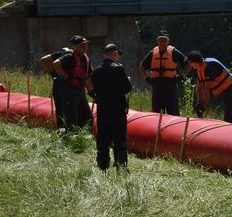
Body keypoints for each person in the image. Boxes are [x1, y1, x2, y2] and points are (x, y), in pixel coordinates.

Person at [91, 44, 132, 172]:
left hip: (103, 108)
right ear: (114, 54)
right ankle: (121, 165)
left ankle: (103, 165)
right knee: (119, 138)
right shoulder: (118, 69)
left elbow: (94, 89)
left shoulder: (96, 70)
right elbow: (127, 88)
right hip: (117, 109)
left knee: (103, 137)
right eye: (117, 54)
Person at [186, 50, 232, 123]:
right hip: (226, 92)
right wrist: (199, 102)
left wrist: (203, 106)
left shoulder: (210, 67)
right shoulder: (200, 69)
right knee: (230, 118)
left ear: (194, 62)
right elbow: (199, 88)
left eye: (190, 63)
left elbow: (206, 90)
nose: (190, 65)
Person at [139, 30, 189, 116]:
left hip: (170, 86)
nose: (162, 42)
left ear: (168, 41)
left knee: (173, 114)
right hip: (157, 86)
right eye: (160, 40)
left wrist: (181, 76)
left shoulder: (174, 52)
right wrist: (146, 78)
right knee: (157, 114)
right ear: (157, 41)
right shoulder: (152, 53)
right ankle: (157, 129)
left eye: (164, 40)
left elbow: (188, 64)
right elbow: (142, 66)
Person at [52, 35, 93, 132]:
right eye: (82, 45)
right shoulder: (69, 56)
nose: (84, 47)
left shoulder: (85, 59)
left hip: (80, 90)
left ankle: (86, 136)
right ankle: (71, 138)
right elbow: (56, 63)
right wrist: (63, 75)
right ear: (75, 46)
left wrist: (92, 92)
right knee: (71, 116)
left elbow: (87, 76)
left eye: (85, 45)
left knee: (87, 116)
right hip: (68, 90)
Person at [39, 46, 72, 129]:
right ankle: (69, 128)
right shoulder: (66, 55)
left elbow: (44, 59)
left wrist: (52, 71)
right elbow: (44, 59)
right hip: (64, 84)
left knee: (59, 107)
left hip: (57, 83)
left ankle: (61, 128)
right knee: (67, 106)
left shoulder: (58, 58)